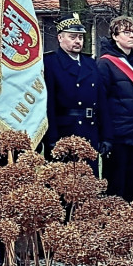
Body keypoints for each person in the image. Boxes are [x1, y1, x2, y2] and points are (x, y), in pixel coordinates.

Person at [97, 16, 133, 202]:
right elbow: (102, 103)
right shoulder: (105, 64)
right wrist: (105, 136)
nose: (132, 36)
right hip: (117, 136)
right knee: (116, 188)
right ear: (115, 36)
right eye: (126, 32)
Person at [43, 12, 102, 171]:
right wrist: (51, 138)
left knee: (88, 179)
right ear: (60, 38)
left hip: (89, 130)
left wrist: (106, 136)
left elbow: (101, 101)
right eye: (72, 37)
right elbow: (49, 105)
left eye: (80, 38)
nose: (77, 41)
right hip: (65, 130)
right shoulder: (50, 63)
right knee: (64, 181)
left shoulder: (90, 63)